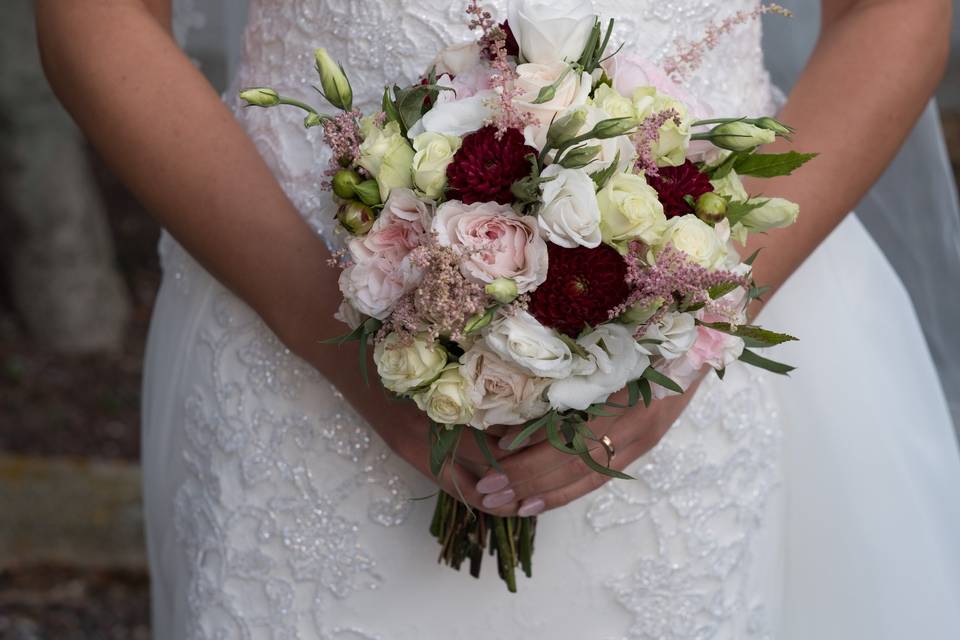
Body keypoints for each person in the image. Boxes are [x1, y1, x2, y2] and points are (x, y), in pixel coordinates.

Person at [36, 0, 960, 638]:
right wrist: (337, 337)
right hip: (289, 321)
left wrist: (696, 318)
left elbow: (894, 14)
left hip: (712, 333)